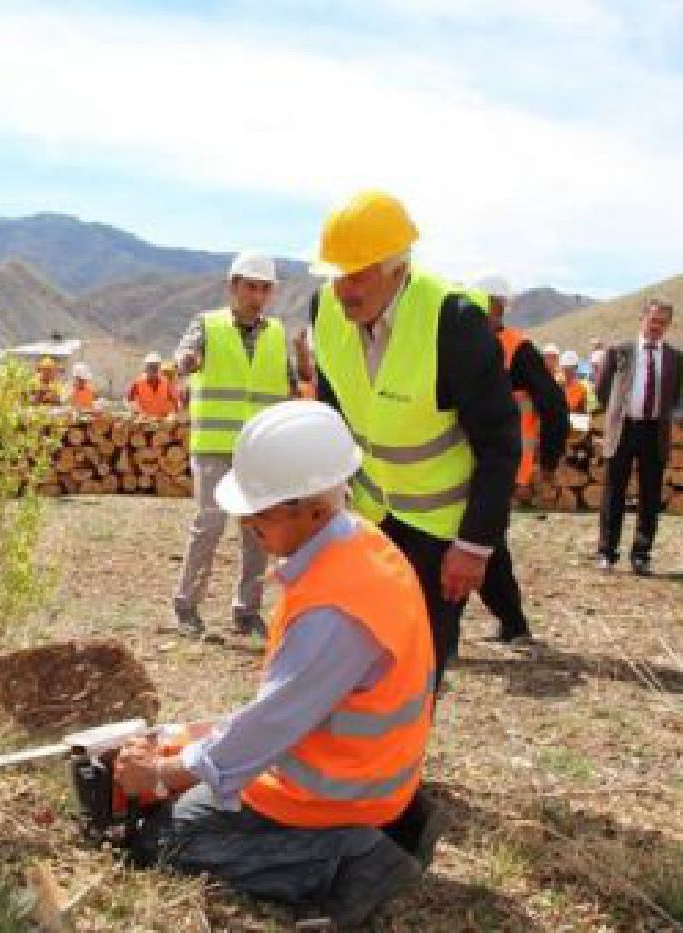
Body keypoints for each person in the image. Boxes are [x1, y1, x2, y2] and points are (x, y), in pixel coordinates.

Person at [115, 401, 444, 926]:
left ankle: (350, 862)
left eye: (260, 511)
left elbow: (273, 722)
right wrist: (182, 738)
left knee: (163, 838)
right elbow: (289, 705)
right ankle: (364, 840)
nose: (246, 524)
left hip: (338, 798)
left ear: (310, 508)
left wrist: (162, 774)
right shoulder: (358, 545)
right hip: (364, 779)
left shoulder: (335, 610)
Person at [310, 191, 519, 687]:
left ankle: (402, 763)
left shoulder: (455, 322)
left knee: (418, 663)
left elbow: (500, 442)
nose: (343, 290)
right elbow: (330, 414)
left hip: (438, 531)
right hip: (366, 515)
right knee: (358, 651)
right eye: (336, 274)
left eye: (357, 274)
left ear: (397, 268)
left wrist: (474, 545)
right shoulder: (325, 309)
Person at [173, 252, 294, 638]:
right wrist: (187, 361)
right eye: (249, 287)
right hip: (214, 445)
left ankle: (247, 610)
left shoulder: (277, 334)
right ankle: (187, 606)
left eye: (263, 288)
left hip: (260, 450)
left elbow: (291, 385)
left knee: (259, 531)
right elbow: (184, 356)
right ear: (233, 287)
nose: (256, 296)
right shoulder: (206, 326)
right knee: (209, 524)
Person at [468, 274, 568, 645]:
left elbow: (554, 406)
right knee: (478, 540)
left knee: (483, 540)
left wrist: (549, 462)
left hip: (496, 463)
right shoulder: (462, 342)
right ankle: (508, 621)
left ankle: (509, 621)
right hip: (464, 461)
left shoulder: (517, 349)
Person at [594, 299, 683, 575]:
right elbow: (601, 390)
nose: (656, 326)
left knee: (650, 492)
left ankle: (642, 553)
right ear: (642, 319)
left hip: (654, 430)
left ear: (668, 325)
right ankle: (607, 551)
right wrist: (616, 413)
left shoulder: (676, 358)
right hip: (623, 428)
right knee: (614, 490)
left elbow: (676, 396)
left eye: (662, 322)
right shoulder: (620, 350)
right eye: (652, 320)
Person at [127, 351, 179, 417]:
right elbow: (129, 400)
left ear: (159, 368)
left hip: (162, 421)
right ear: (146, 368)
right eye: (151, 367)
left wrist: (173, 414)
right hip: (144, 421)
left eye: (155, 367)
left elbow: (175, 401)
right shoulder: (137, 383)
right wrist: (136, 411)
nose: (153, 370)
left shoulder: (166, 383)